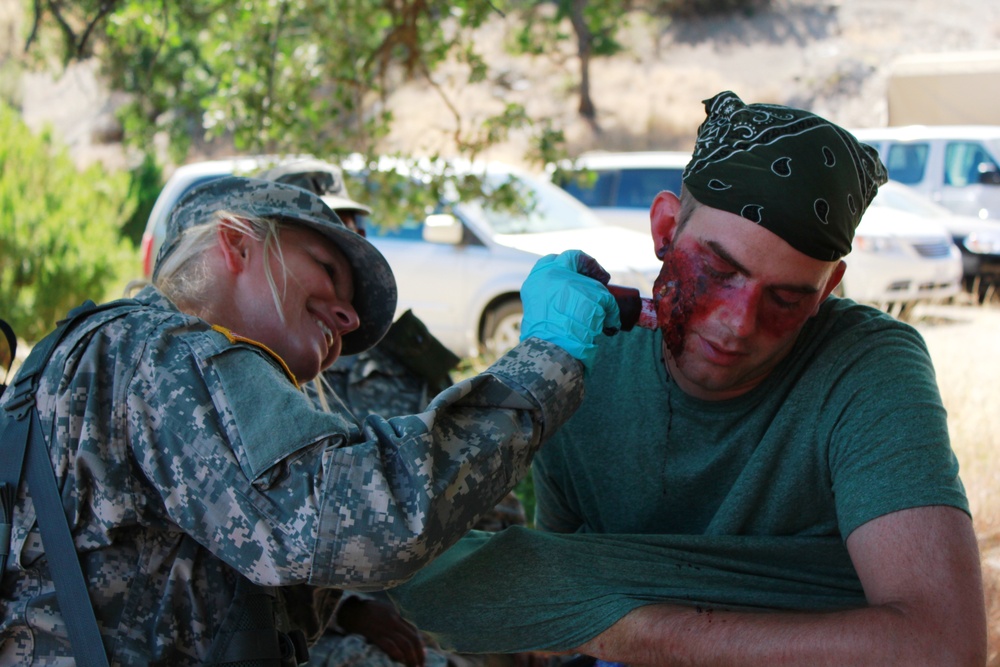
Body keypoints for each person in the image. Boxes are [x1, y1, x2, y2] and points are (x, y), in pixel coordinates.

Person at [386, 91, 987, 666]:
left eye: (785, 298)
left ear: (828, 290)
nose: (737, 325)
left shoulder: (866, 364)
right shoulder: (578, 366)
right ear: (664, 231)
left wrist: (620, 622)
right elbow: (549, 572)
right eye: (720, 271)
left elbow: (939, 646)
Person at [0, 175, 621, 665]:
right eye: (327, 271)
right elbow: (363, 515)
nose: (348, 322)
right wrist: (546, 361)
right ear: (236, 241)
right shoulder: (164, 353)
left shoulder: (115, 355)